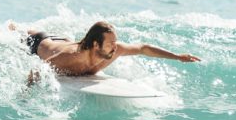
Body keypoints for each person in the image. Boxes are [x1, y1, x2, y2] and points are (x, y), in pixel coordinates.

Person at [10, 20, 200, 77]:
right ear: (95, 45)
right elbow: (38, 70)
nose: (115, 46)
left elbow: (143, 48)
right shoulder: (70, 58)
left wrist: (177, 56)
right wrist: (27, 95)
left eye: (115, 42)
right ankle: (14, 27)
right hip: (39, 43)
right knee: (18, 34)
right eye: (110, 43)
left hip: (65, 41)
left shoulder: (113, 51)